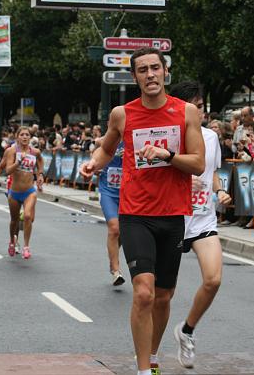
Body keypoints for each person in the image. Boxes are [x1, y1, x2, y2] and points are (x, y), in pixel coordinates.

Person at [79, 47, 204, 375]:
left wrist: (166, 155)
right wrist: (93, 163)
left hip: (173, 214)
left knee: (163, 296)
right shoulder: (123, 114)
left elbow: (198, 164)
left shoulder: (187, 112)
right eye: (143, 70)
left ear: (165, 73)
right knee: (144, 292)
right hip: (135, 213)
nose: (150, 75)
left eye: (155, 68)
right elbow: (106, 149)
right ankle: (143, 369)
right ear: (134, 77)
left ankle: (151, 353)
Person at [168, 81, 231, 369]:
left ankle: (187, 331)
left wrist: (219, 190)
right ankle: (150, 356)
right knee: (162, 294)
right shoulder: (167, 137)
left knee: (213, 279)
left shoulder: (210, 137)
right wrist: (180, 179)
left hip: (203, 217)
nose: (200, 112)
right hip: (171, 218)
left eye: (202, 106)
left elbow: (212, 172)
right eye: (194, 106)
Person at [3, 126, 44, 259]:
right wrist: (18, 162)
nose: (25, 137)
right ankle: (12, 241)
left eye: (27, 135)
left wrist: (40, 175)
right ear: (17, 137)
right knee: (14, 220)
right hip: (14, 192)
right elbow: (8, 170)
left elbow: (40, 161)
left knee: (27, 217)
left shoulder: (35, 152)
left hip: (29, 191)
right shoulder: (11, 151)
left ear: (30, 138)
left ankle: (26, 246)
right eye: (22, 135)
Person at [97, 140, 126, 286]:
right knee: (114, 228)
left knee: (123, 232)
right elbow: (98, 149)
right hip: (108, 191)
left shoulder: (137, 137)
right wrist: (95, 165)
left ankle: (112, 258)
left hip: (129, 193)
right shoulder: (106, 139)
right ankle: (116, 270)